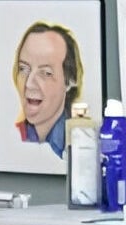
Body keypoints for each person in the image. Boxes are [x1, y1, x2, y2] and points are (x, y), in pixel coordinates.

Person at [11, 21, 81, 156]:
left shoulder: (79, 141)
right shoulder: (14, 137)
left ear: (69, 81)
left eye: (45, 73)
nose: (29, 84)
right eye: (23, 69)